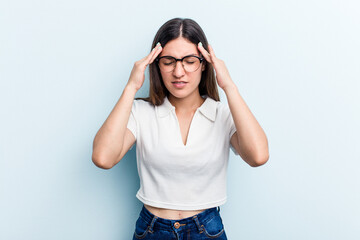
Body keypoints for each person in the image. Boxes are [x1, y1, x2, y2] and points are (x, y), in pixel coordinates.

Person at [92, 18, 269, 240]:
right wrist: (130, 87)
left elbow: (258, 156)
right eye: (168, 61)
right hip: (152, 230)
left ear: (204, 64)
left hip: (207, 230)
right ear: (156, 64)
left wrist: (229, 86)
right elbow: (103, 158)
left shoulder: (222, 114)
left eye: (189, 61)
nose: (178, 72)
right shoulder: (141, 111)